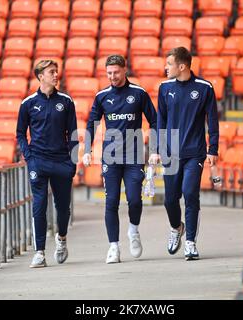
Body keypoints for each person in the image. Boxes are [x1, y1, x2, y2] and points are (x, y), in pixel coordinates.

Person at [83, 54, 158, 264]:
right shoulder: (102, 96)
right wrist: (87, 150)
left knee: (134, 199)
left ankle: (133, 230)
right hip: (111, 157)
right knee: (112, 201)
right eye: (109, 73)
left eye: (116, 72)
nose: (112, 76)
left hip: (134, 156)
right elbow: (92, 123)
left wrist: (154, 149)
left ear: (125, 70)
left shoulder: (139, 93)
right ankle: (113, 247)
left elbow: (155, 121)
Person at [156, 47, 219, 261]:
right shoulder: (164, 88)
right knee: (170, 200)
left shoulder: (204, 88)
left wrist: (213, 150)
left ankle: (190, 242)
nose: (165, 68)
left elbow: (212, 121)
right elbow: (160, 122)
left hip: (195, 153)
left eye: (169, 64)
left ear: (181, 66)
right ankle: (177, 228)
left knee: (190, 193)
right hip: (171, 154)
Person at [16, 59, 78, 268]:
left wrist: (73, 162)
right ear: (41, 76)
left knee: (63, 209)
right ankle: (40, 252)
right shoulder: (28, 103)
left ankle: (61, 239)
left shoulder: (66, 102)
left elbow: (74, 135)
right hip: (38, 161)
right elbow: (20, 134)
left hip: (61, 161)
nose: (55, 75)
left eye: (56, 71)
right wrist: (29, 157)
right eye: (51, 72)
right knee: (39, 206)